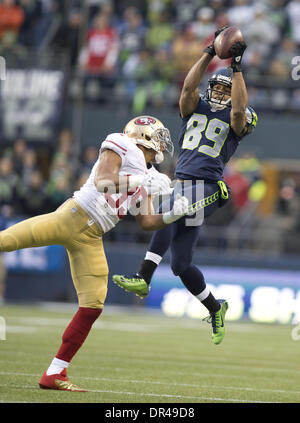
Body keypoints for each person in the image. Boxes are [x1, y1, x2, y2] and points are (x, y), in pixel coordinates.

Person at [0, 116, 189, 392]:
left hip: (92, 237)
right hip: (74, 216)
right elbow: (103, 180)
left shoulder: (148, 175)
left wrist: (173, 214)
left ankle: (55, 372)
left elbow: (147, 222)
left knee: (92, 305)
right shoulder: (122, 144)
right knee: (5, 241)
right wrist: (143, 178)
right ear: (144, 135)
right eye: (158, 136)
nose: (162, 144)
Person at [113, 27, 258, 346]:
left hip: (206, 187)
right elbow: (189, 87)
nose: (220, 94)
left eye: (226, 90)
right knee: (180, 264)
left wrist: (235, 67)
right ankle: (216, 307)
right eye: (217, 89)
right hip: (184, 184)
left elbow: (237, 110)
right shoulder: (195, 107)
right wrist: (209, 51)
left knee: (172, 207)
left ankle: (143, 276)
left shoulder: (237, 122)